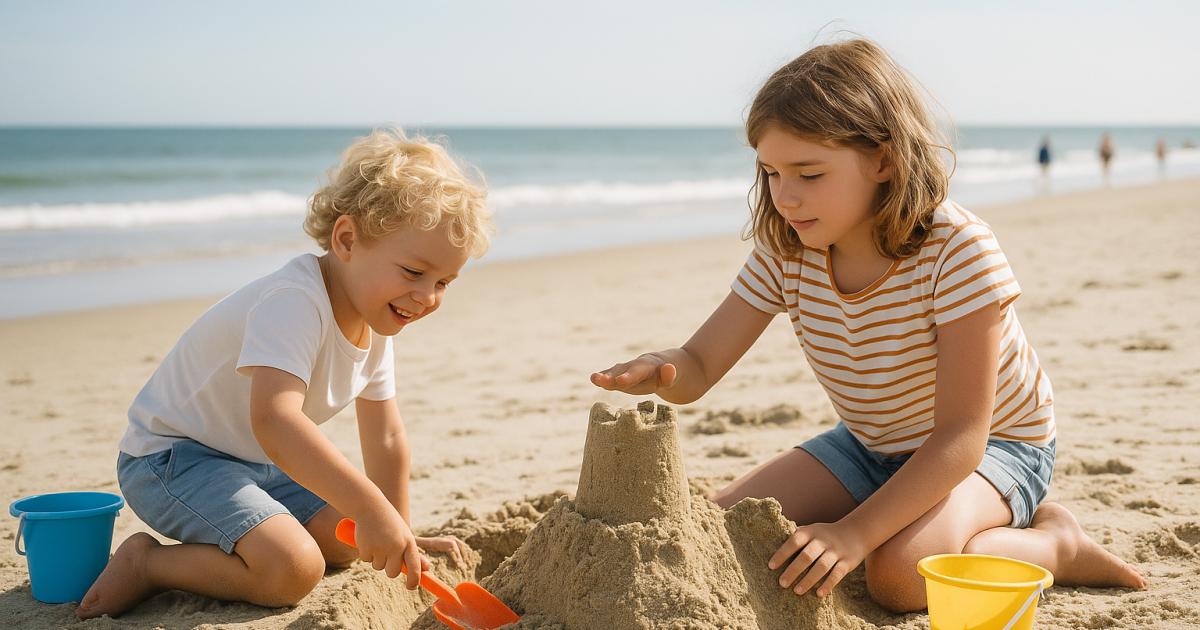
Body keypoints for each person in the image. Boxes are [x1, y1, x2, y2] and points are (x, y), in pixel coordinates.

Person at [591, 39, 1145, 613]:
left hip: (995, 448)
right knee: (717, 524)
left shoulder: (955, 249)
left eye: (808, 172)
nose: (784, 196)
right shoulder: (787, 250)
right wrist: (663, 371)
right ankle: (912, 519)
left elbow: (960, 438)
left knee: (900, 578)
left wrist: (854, 533)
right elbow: (700, 366)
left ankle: (1056, 544)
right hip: (870, 445)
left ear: (882, 159)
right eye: (771, 172)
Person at [76, 129, 491, 619]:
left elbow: (386, 436)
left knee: (352, 542)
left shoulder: (377, 317)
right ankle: (150, 564)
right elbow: (275, 420)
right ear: (347, 239)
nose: (427, 297)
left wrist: (398, 530)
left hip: (254, 460)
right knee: (293, 569)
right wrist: (373, 511)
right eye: (413, 272)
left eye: (443, 282)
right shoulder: (295, 302)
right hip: (172, 459)